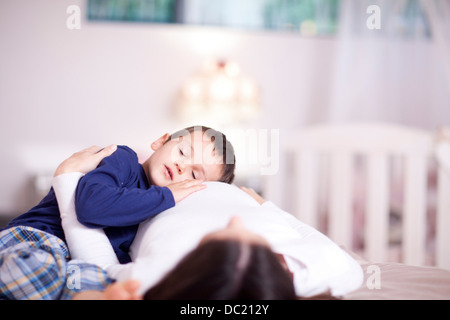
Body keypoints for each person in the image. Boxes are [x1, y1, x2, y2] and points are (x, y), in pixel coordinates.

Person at [52, 146, 364, 300]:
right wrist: (268, 208)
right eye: (268, 248)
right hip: (242, 195)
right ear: (281, 267)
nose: (236, 219)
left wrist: (66, 178)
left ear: (193, 262)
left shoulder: (155, 279)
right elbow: (309, 235)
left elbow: (95, 259)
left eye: (215, 236)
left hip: (155, 200)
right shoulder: (327, 270)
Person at [0, 125, 236, 300]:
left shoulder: (158, 213)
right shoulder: (124, 160)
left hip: (72, 264)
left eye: (194, 175)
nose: (181, 166)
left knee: (109, 287)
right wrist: (168, 196)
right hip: (37, 240)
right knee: (32, 268)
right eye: (183, 152)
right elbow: (90, 206)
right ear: (161, 141)